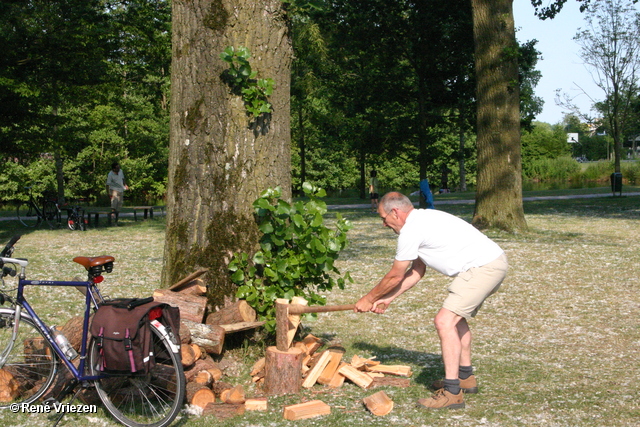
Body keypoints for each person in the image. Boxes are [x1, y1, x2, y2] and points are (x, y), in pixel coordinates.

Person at [355, 192, 508, 410]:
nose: (383, 224)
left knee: (444, 321)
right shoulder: (423, 219)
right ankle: (465, 377)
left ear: (395, 212)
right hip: (491, 263)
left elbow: (395, 275)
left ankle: (453, 393)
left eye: (383, 217)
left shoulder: (411, 230)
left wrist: (368, 298)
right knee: (456, 320)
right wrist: (388, 298)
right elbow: (417, 270)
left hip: (483, 267)